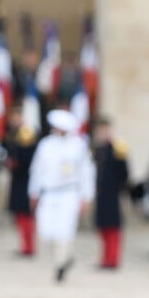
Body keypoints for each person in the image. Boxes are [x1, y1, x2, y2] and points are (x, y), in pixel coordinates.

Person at [28, 109, 95, 282]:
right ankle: (64, 258)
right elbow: (37, 170)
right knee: (46, 230)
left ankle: (61, 264)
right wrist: (33, 192)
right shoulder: (46, 144)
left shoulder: (79, 146)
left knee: (65, 230)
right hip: (49, 193)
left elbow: (87, 173)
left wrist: (86, 197)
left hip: (69, 193)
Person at [92, 116, 129, 269]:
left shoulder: (117, 148)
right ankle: (104, 258)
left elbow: (125, 173)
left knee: (113, 227)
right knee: (103, 227)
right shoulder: (97, 149)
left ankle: (112, 259)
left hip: (112, 193)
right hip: (100, 193)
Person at [4, 109, 38, 256]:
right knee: (20, 215)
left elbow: (26, 159)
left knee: (26, 215)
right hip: (18, 180)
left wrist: (14, 163)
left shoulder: (27, 134)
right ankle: (24, 244)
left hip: (26, 180)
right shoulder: (13, 134)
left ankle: (28, 246)